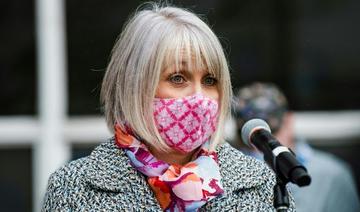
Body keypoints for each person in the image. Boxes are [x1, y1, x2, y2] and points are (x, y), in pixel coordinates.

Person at [42, 3, 295, 211]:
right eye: (178, 78)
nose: (199, 97)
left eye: (209, 80)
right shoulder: (74, 188)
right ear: (135, 85)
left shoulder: (261, 184)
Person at [232, 82, 360, 212]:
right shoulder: (228, 176)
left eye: (269, 133)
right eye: (250, 138)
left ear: (289, 122)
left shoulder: (332, 173)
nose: (259, 148)